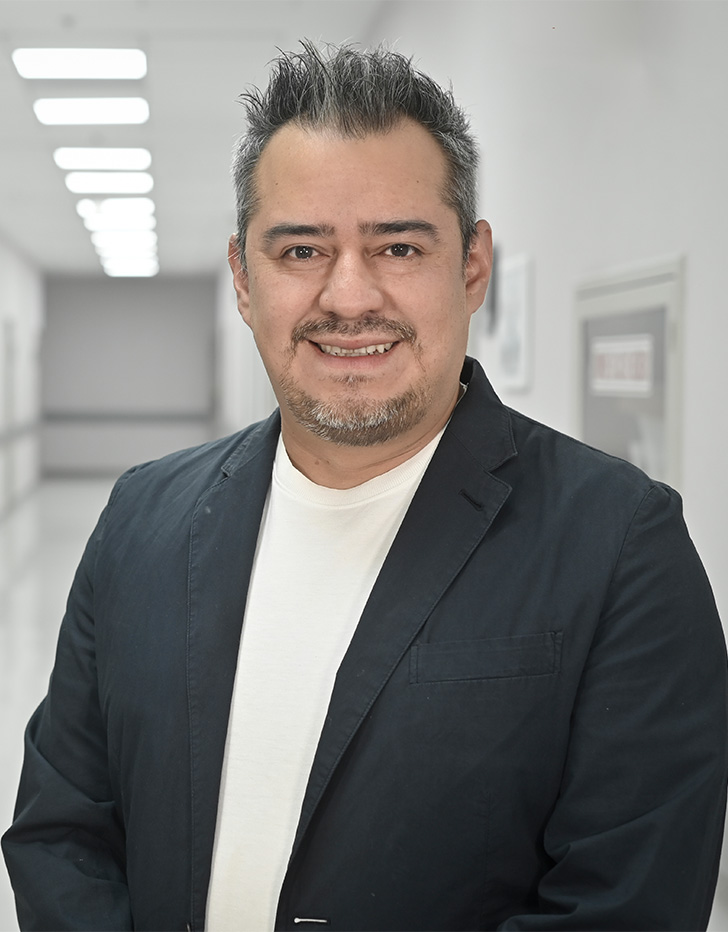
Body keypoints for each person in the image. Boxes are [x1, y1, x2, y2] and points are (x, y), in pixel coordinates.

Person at [3, 40, 727, 932]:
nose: (349, 296)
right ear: (243, 277)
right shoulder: (143, 518)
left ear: (471, 266)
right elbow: (61, 831)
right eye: (301, 248)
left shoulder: (621, 549)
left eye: (397, 246)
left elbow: (627, 904)